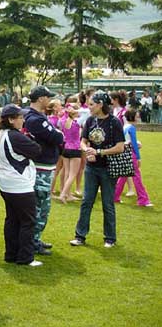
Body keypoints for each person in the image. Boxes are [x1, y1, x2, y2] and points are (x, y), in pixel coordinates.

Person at [70, 92, 125, 248]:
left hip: (108, 169)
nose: (89, 107)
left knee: (108, 204)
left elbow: (120, 147)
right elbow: (83, 141)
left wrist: (99, 152)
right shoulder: (90, 120)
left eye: (92, 104)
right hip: (91, 168)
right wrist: (87, 150)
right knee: (86, 202)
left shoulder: (114, 122)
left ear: (101, 104)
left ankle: (110, 238)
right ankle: (80, 236)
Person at [0, 104, 42, 266]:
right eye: (20, 117)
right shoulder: (15, 136)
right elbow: (36, 150)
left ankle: (11, 254)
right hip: (19, 184)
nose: (23, 120)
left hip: (7, 183)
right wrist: (30, 137)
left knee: (13, 220)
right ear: (11, 120)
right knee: (27, 221)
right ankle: (25, 257)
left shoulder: (2, 133)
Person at [24, 86, 64, 256]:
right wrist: (57, 133)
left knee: (40, 205)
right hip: (40, 167)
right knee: (40, 206)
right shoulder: (34, 119)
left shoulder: (36, 116)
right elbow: (57, 137)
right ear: (41, 98)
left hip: (42, 166)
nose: (49, 100)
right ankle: (32, 242)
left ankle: (35, 239)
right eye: (47, 97)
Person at [113, 109, 153, 207]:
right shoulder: (131, 128)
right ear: (132, 117)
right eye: (136, 115)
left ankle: (114, 196)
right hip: (131, 154)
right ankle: (143, 199)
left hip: (124, 153)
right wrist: (138, 157)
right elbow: (134, 143)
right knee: (137, 177)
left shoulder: (125, 127)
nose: (138, 116)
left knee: (123, 177)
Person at [57, 103, 82, 203]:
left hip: (66, 148)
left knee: (67, 172)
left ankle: (68, 194)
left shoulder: (63, 121)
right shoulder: (76, 124)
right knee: (72, 175)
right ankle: (63, 194)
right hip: (75, 149)